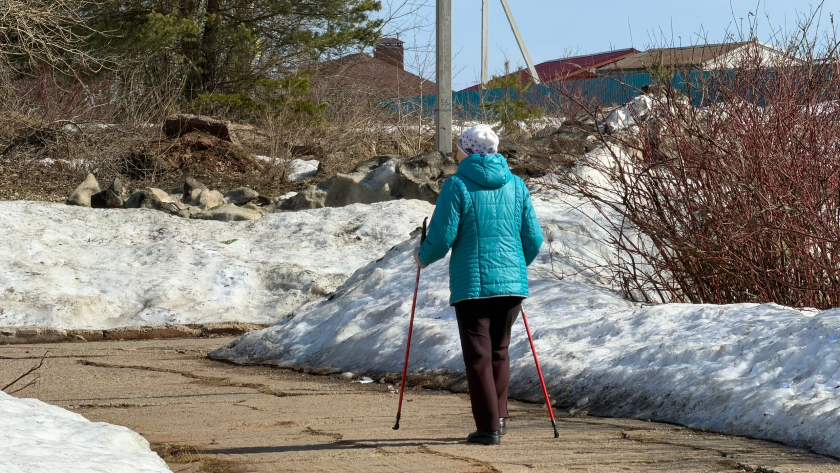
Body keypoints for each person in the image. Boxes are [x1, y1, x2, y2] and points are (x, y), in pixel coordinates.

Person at [413, 124, 543, 445]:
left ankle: (488, 429)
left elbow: (442, 238)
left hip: (473, 285)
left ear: (468, 151)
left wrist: (422, 255)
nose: (456, 152)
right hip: (511, 287)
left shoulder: (456, 185)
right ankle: (497, 416)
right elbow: (534, 239)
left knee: (478, 357)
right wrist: (513, 268)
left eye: (460, 146)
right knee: (499, 351)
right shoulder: (516, 185)